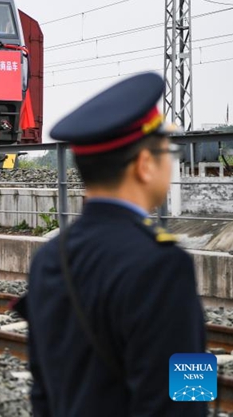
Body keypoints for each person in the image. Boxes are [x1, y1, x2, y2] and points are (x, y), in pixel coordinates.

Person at [14, 72, 207, 416]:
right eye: (167, 149)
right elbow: (186, 397)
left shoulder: (49, 257)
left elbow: (42, 391)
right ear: (145, 165)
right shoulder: (163, 264)